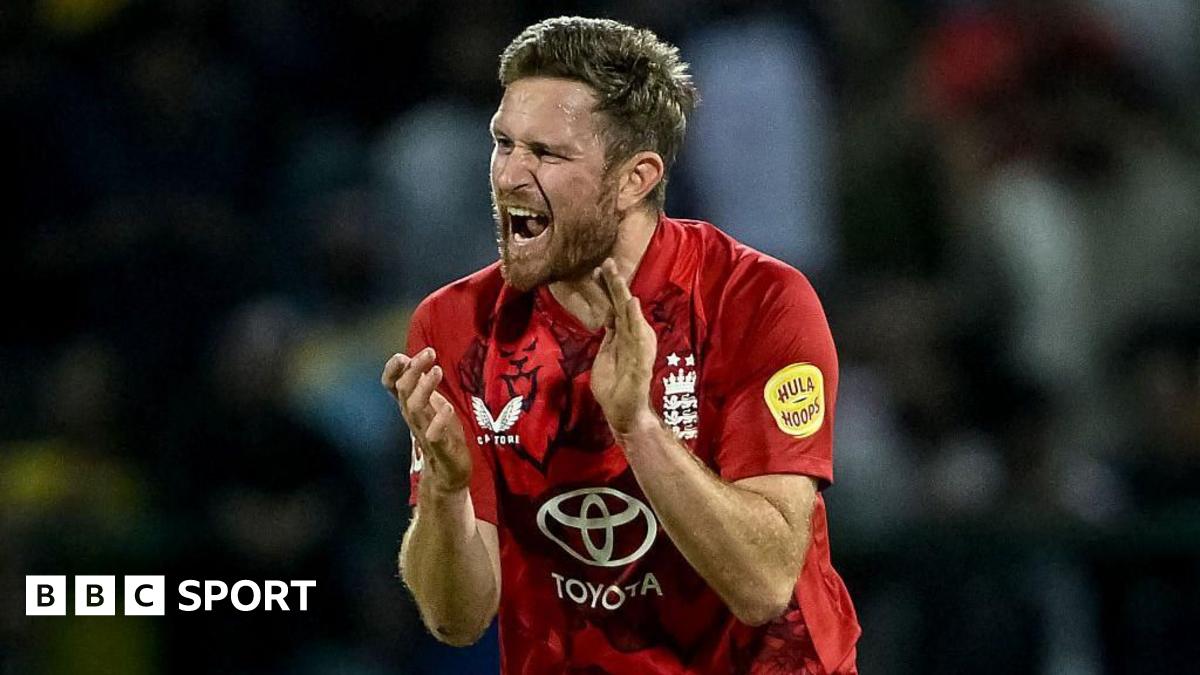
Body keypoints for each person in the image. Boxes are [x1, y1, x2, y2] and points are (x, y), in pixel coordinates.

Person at [381, 16, 860, 674]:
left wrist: (638, 426)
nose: (509, 175)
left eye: (546, 154)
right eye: (504, 143)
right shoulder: (458, 327)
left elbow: (763, 584)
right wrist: (446, 490)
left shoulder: (757, 303)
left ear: (634, 179)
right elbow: (456, 617)